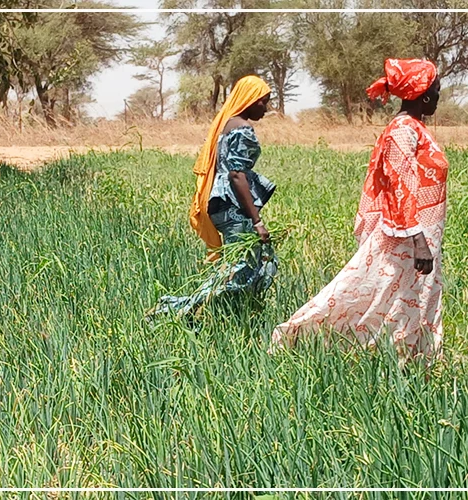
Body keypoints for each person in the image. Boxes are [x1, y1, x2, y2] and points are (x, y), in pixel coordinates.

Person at [271, 59, 448, 362]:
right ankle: (387, 360)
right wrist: (418, 241)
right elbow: (400, 185)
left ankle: (419, 362)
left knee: (412, 297)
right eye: (437, 89)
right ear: (424, 94)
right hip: (410, 237)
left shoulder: (416, 128)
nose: (439, 95)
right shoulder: (403, 130)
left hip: (424, 233)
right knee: (392, 297)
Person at [149, 75, 276, 320]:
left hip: (219, 205)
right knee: (240, 269)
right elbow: (236, 175)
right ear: (249, 100)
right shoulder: (242, 128)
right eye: (263, 102)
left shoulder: (226, 125)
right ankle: (177, 310)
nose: (265, 108)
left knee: (239, 266)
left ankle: (230, 313)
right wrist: (257, 221)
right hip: (233, 207)